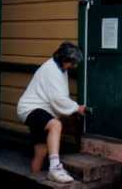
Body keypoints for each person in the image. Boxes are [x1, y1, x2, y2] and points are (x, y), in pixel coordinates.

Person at [17, 41, 86, 183]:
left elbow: (58, 97)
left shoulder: (59, 68)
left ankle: (34, 181)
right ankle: (55, 168)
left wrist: (72, 108)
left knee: (40, 152)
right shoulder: (51, 70)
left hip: (38, 109)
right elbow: (58, 98)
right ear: (64, 59)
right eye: (72, 63)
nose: (73, 66)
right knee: (56, 125)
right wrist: (76, 108)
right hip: (31, 109)